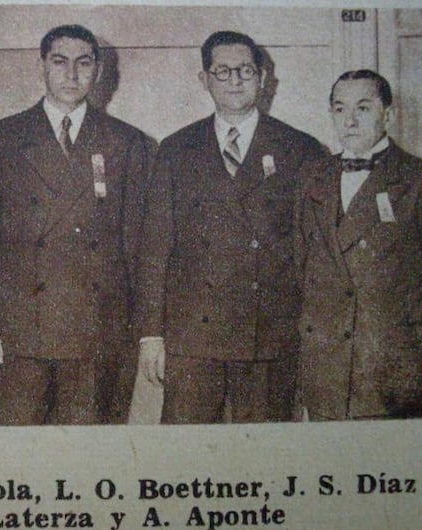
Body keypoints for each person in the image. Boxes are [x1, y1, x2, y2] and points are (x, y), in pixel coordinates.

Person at [135, 30, 325, 424]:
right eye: (223, 71)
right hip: (192, 336)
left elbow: (313, 254)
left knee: (262, 458)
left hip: (269, 336)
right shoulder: (175, 149)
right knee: (185, 455)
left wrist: (311, 339)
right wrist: (151, 335)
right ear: (204, 79)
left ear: (264, 77)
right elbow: (154, 249)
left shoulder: (299, 148)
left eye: (245, 70)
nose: (235, 80)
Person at [0, 24, 153, 425]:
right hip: (20, 331)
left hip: (98, 334)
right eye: (60, 62)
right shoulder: (1, 138)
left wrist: (137, 331)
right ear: (42, 66)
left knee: (87, 458)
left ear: (99, 71)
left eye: (83, 63)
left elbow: (138, 246)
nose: (72, 75)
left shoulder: (127, 142)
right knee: (21, 460)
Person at [297, 70, 422, 420]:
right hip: (325, 368)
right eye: (340, 108)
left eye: (362, 108)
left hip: (389, 369)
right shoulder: (312, 177)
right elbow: (300, 268)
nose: (349, 120)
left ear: (387, 115)